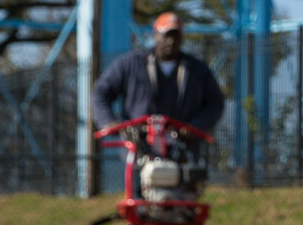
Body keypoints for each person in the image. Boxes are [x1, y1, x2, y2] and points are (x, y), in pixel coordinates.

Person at [91, 12, 226, 135]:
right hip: (139, 145)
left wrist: (197, 126)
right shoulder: (130, 64)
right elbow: (101, 92)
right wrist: (108, 121)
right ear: (155, 35)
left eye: (176, 36)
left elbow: (215, 103)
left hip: (183, 149)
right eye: (167, 35)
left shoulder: (197, 70)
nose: (171, 41)